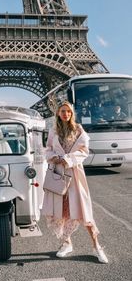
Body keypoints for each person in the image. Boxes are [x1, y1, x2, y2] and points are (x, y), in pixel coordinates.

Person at [42, 101, 108, 263]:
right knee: (62, 211)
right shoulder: (53, 130)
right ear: (58, 113)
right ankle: (67, 243)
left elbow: (84, 151)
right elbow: (48, 149)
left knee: (84, 211)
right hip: (58, 174)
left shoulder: (78, 129)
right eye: (63, 111)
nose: (66, 114)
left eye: (69, 112)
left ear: (72, 114)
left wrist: (68, 159)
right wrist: (54, 157)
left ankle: (97, 246)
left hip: (75, 173)